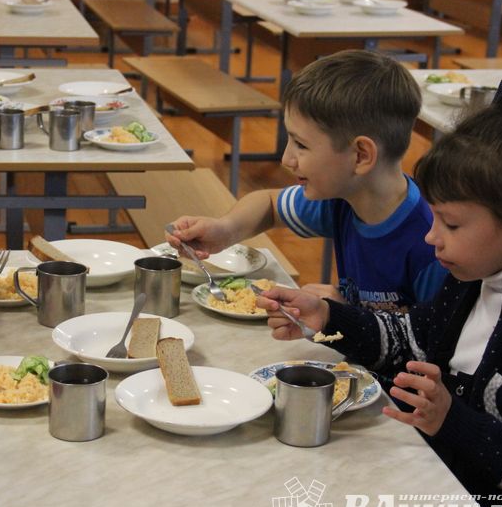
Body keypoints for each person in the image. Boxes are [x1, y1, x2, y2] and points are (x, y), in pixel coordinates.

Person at [257, 64, 502, 507]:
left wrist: (451, 420)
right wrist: (328, 319)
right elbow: (413, 341)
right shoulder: (475, 271)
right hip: (444, 489)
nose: (432, 238)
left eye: (451, 224)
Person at [166, 49, 447, 312]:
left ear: (361, 156)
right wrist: (224, 231)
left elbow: (433, 346)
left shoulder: (431, 244)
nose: (286, 159)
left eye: (301, 144)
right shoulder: (345, 199)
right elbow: (270, 204)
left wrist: (347, 315)